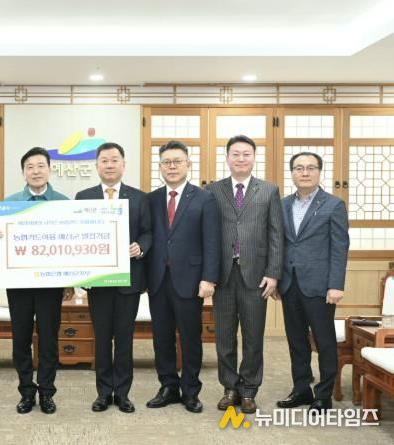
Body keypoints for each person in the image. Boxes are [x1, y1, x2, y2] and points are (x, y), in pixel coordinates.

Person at [0, 147, 73, 414]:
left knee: (49, 340)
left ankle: (47, 392)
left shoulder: (64, 202)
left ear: (49, 169)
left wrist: (70, 281)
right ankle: (26, 392)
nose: (36, 171)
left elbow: (71, 244)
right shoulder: (9, 204)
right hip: (20, 285)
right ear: (23, 172)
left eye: (40, 166)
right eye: (30, 167)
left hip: (51, 285)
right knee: (21, 340)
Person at [206, 134, 284, 414]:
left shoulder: (269, 190)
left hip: (256, 276)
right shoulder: (213, 190)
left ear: (254, 158)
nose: (241, 159)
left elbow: (276, 234)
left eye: (246, 154)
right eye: (235, 154)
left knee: (253, 337)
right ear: (227, 158)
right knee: (224, 338)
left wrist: (273, 274)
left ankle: (249, 390)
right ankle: (230, 388)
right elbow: (208, 235)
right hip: (223, 276)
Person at [75, 142, 152, 413]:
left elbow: (148, 232)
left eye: (114, 160)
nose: (109, 165)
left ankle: (123, 394)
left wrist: (140, 247)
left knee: (124, 340)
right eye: (104, 161)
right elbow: (77, 235)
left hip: (128, 281)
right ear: (96, 166)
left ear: (123, 164)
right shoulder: (83, 197)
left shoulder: (140, 198)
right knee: (101, 339)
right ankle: (103, 393)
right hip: (98, 281)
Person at [145, 141, 220, 413]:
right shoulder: (151, 199)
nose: (172, 166)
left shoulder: (204, 198)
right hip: (157, 279)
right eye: (167, 162)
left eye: (177, 161)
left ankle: (190, 390)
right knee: (161, 337)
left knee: (190, 337)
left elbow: (211, 241)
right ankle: (167, 386)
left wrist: (209, 278)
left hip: (190, 279)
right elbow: (147, 236)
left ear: (188, 164)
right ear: (160, 167)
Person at [276, 152, 349, 414]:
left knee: (324, 341)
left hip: (320, 285)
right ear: (292, 173)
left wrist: (336, 284)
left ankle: (324, 394)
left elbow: (339, 247)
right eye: (298, 168)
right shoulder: (282, 204)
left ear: (319, 171)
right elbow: (278, 244)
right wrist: (276, 278)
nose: (304, 172)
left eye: (310, 168)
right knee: (296, 340)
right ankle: (301, 389)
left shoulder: (333, 205)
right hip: (290, 284)